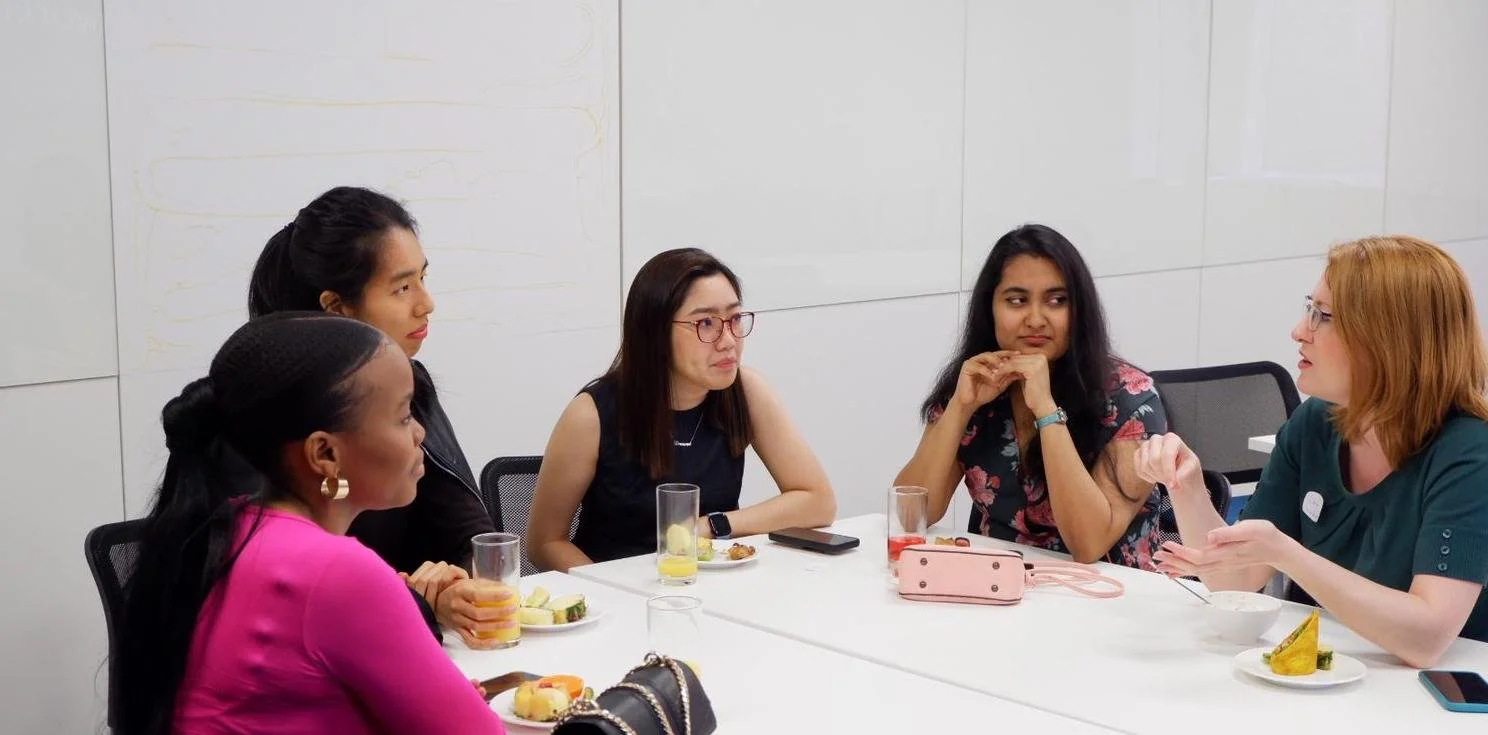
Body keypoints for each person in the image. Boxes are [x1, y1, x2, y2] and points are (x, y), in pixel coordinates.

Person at [1136, 235, 1488, 666]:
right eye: (1308, 308)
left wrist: (1284, 552)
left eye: (1322, 316)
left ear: (1389, 339)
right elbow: (1236, 580)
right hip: (1364, 677)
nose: (1299, 331)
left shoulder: (1473, 448)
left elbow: (1426, 639)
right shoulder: (1318, 421)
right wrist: (1186, 484)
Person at [113, 312, 503, 734]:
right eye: (404, 415)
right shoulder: (335, 570)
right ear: (326, 455)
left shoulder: (228, 527)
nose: (421, 433)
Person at [248, 186, 507, 637]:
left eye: (423, 279)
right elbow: (299, 588)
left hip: (396, 640)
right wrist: (418, 599)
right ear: (337, 307)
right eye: (402, 287)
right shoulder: (263, 414)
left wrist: (458, 585)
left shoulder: (409, 382)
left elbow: (469, 532)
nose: (426, 303)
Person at [529, 247, 837, 571]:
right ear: (655, 332)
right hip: (617, 598)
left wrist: (713, 525)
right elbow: (545, 543)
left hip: (711, 586)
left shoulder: (746, 392)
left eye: (734, 319)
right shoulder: (590, 415)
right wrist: (614, 591)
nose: (728, 340)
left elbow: (817, 501)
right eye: (706, 323)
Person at [895, 224, 1168, 569]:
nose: (1036, 319)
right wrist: (959, 408)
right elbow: (910, 515)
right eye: (1017, 300)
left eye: (1057, 301)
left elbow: (1088, 545)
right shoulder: (977, 386)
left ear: (1079, 310)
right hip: (1001, 593)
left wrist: (1045, 409)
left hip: (1112, 599)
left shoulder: (1133, 400)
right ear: (990, 308)